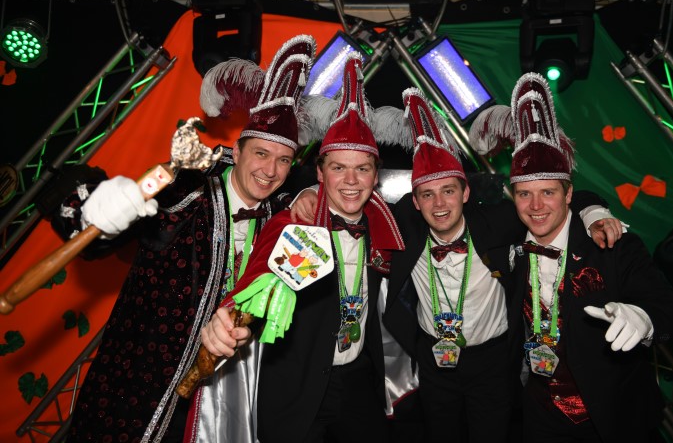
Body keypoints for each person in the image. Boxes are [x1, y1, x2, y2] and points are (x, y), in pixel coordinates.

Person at [51, 35, 316, 442]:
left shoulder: (279, 217)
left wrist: (307, 192)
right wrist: (93, 208)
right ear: (237, 151)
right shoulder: (188, 189)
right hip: (135, 391)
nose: (270, 170)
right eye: (261, 154)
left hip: (214, 405)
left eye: (283, 160)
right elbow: (97, 217)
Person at [381, 88, 624, 443]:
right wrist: (309, 193)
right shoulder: (404, 224)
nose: (439, 204)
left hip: (492, 361)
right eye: (427, 195)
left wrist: (594, 212)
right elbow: (353, 202)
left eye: (449, 191)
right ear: (414, 201)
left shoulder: (498, 223)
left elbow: (556, 199)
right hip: (432, 357)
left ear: (466, 192)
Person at [197, 52, 404, 443]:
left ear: (375, 176)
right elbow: (257, 275)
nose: (351, 180)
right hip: (296, 390)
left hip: (359, 383)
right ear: (320, 173)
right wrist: (225, 318)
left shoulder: (388, 225)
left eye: (362, 168)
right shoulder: (294, 221)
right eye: (338, 167)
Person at [503, 73, 673, 442]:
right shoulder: (506, 242)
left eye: (548, 192)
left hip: (615, 415)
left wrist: (644, 318)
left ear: (568, 194)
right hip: (542, 417)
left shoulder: (611, 243)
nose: (536, 205)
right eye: (525, 194)